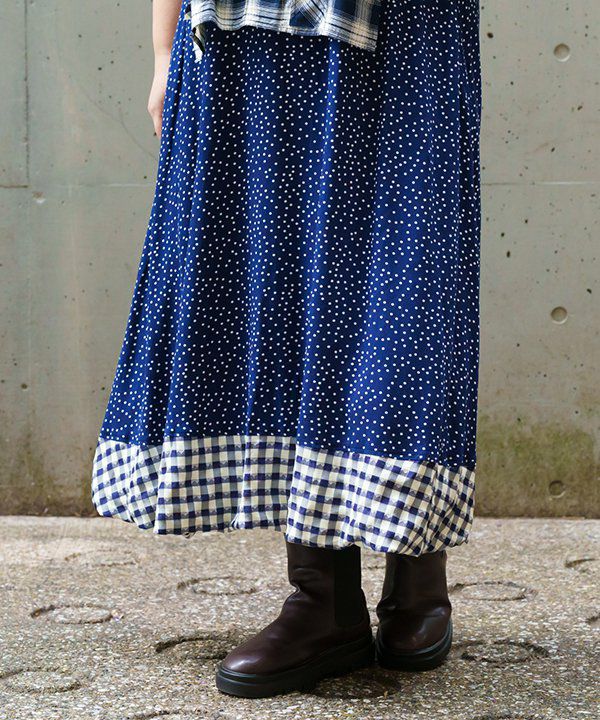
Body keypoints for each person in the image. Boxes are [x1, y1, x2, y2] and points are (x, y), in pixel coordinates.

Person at [92, 0, 481, 699]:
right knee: (274, 287)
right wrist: (162, 52)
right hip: (242, 31)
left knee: (402, 285)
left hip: (405, 29)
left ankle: (417, 567)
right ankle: (323, 600)